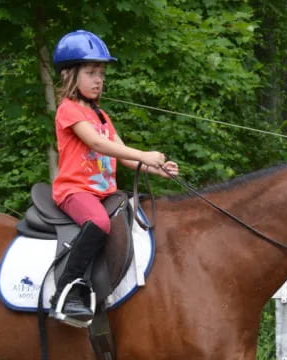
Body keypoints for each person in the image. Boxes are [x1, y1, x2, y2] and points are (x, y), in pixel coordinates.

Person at [50, 29, 179, 325]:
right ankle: (67, 291)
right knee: (97, 223)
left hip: (105, 192)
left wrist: (156, 168)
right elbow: (97, 144)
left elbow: (120, 154)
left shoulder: (101, 116)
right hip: (75, 190)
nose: (99, 80)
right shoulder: (68, 111)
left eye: (102, 74)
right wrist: (144, 154)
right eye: (92, 72)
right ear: (70, 75)